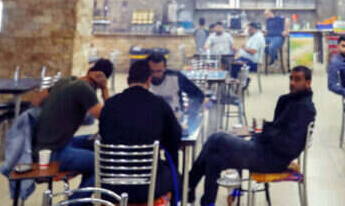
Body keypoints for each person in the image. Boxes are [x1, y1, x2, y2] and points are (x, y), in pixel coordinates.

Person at [188, 66, 316, 206]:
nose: (292, 83)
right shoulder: (291, 101)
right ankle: (206, 202)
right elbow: (278, 131)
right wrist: (263, 132)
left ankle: (188, 185)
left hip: (271, 160)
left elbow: (289, 146)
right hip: (265, 151)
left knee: (217, 138)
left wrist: (266, 130)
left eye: (297, 79)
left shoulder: (304, 109)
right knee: (214, 158)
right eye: (291, 78)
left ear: (308, 83)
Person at [99, 60, 182, 204]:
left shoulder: (110, 104)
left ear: (127, 80)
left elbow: (103, 134)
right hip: (147, 187)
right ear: (149, 80)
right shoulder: (159, 104)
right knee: (177, 176)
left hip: (111, 187)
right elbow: (175, 136)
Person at [34, 59, 113, 183]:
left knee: (93, 141)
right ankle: (80, 196)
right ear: (101, 77)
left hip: (46, 146)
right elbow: (108, 119)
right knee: (101, 164)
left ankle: (87, 187)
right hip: (53, 153)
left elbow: (39, 98)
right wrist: (105, 89)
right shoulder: (84, 88)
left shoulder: (66, 80)